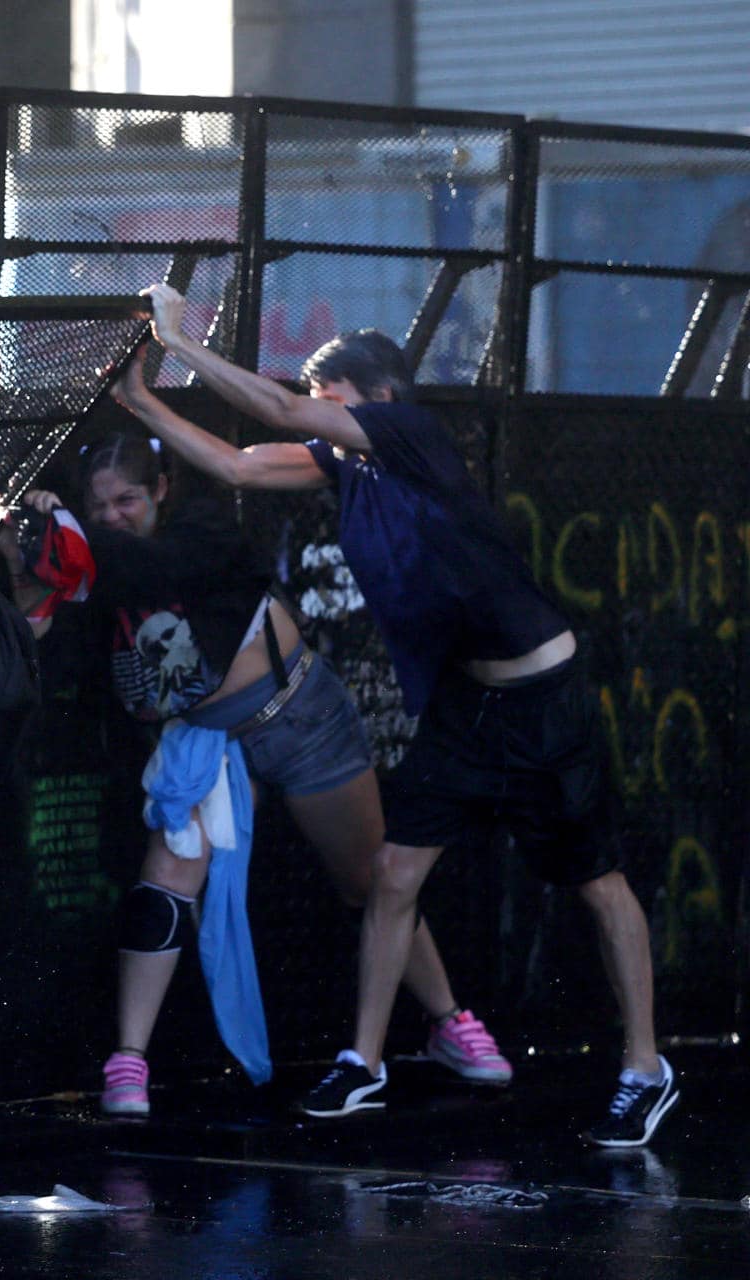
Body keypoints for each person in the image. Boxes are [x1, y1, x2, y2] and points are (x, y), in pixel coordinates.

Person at [127, 282, 676, 1146]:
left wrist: (180, 341)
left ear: (377, 400)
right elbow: (236, 463)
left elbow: (270, 405)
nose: (312, 414)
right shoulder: (343, 465)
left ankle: (646, 1067)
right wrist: (140, 396)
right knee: (389, 876)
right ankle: (365, 1062)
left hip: (542, 697)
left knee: (597, 884)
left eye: (327, 399)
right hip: (466, 708)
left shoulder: (414, 438)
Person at [4, 417, 506, 1118]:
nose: (115, 516)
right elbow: (46, 619)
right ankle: (129, 1060)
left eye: (128, 502)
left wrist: (80, 536)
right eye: (100, 506)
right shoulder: (97, 566)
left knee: (372, 879)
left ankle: (450, 1021)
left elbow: (155, 571)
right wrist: (37, 548)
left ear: (161, 492)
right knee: (165, 884)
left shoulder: (200, 535)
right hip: (200, 741)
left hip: (298, 719)